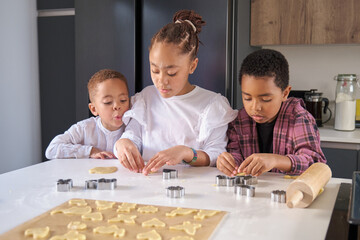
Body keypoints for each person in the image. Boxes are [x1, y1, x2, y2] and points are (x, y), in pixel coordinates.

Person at [114, 9, 237, 175]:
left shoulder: (212, 104)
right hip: (148, 186)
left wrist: (186, 153)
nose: (162, 80)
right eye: (155, 70)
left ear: (192, 66)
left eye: (171, 73)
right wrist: (124, 143)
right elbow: (132, 135)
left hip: (192, 190)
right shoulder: (146, 98)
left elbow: (215, 155)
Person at [217, 49, 326, 177]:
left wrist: (275, 160)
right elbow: (236, 154)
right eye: (247, 98)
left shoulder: (299, 118)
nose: (255, 107)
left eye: (265, 99)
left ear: (285, 93)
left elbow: (315, 163)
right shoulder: (239, 120)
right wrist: (229, 162)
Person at [45, 69, 130, 159]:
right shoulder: (84, 128)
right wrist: (90, 151)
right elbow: (52, 149)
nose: (117, 106)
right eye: (108, 102)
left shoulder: (134, 128)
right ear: (93, 109)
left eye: (123, 100)